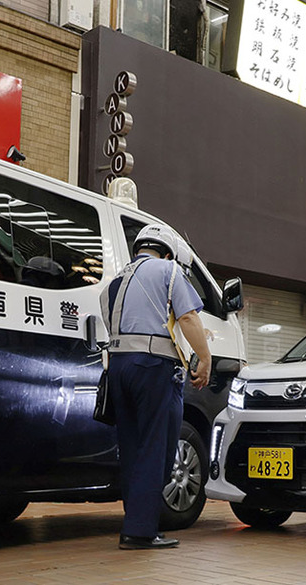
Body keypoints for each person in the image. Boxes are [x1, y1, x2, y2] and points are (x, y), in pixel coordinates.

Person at [100, 224, 212, 550]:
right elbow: (189, 319)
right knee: (157, 447)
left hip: (118, 368)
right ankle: (140, 532)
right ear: (165, 253)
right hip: (153, 368)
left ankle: (135, 523)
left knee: (133, 448)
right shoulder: (169, 270)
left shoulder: (113, 283)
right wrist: (203, 359)